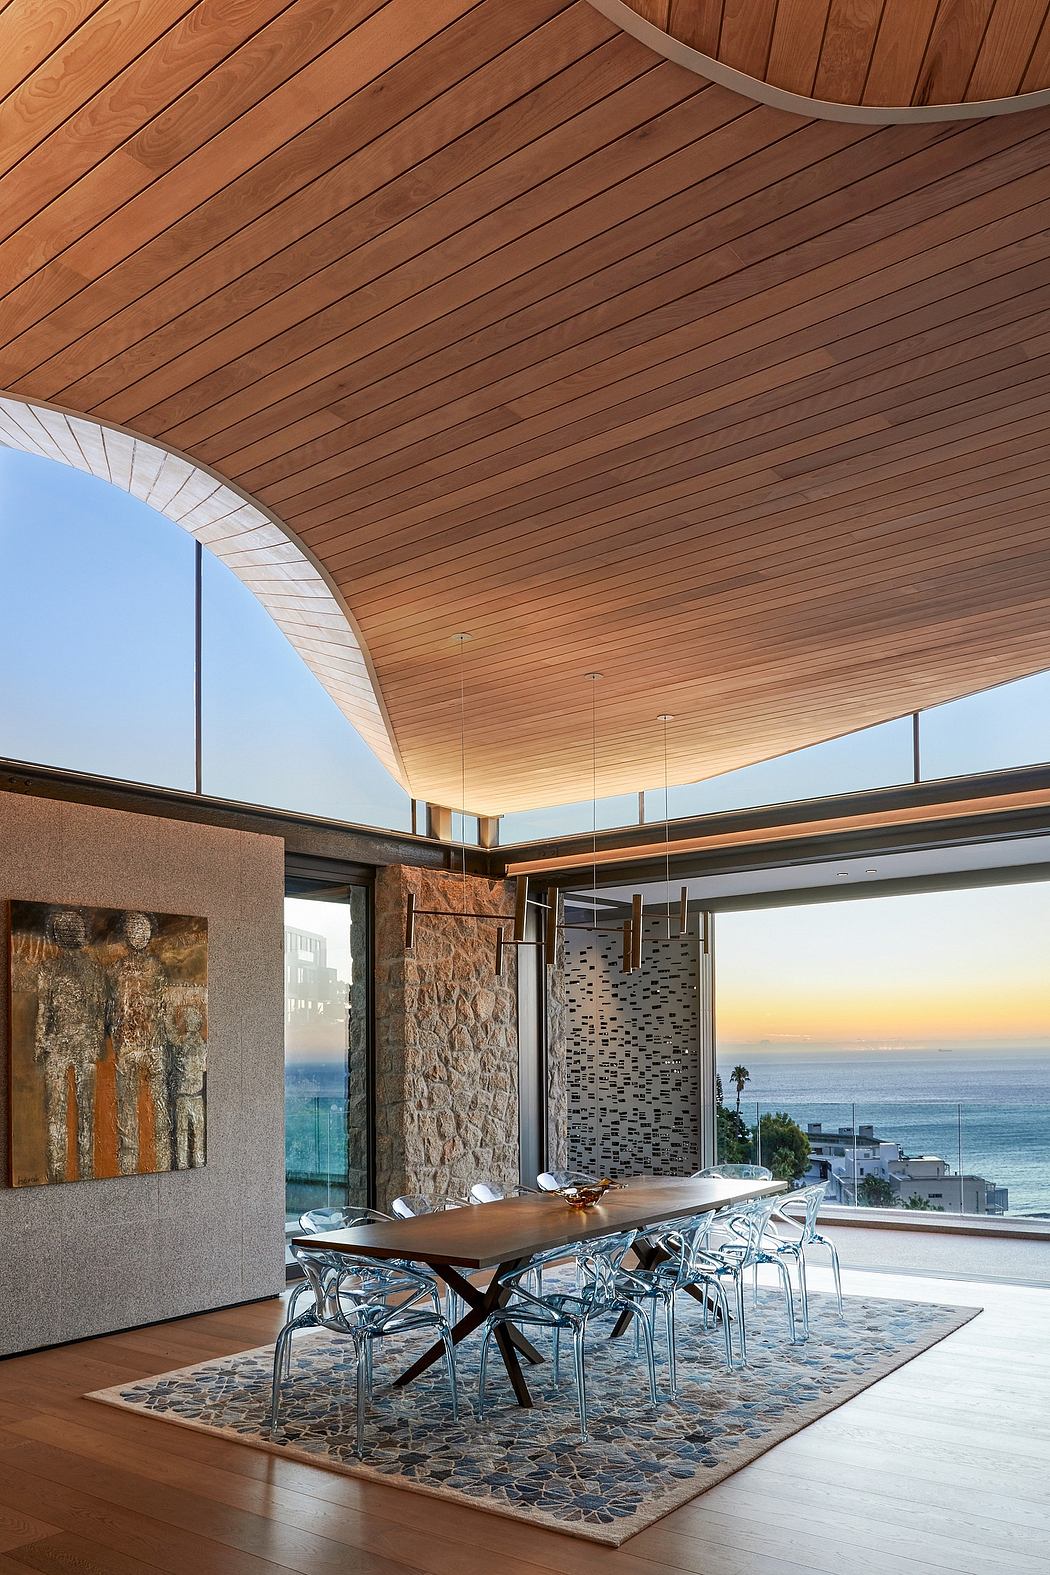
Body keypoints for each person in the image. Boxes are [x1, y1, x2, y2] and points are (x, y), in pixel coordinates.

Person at [34, 908, 105, 1183]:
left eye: (71, 928)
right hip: (62, 1047)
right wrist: (40, 1042)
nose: (68, 933)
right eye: (64, 928)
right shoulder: (50, 968)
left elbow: (98, 1010)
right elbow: (44, 1010)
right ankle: (60, 1176)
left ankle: (77, 1175)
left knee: (77, 1113)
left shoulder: (89, 970)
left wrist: (41, 1043)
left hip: (76, 1047)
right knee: (59, 1115)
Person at [108, 911, 172, 1174]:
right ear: (126, 934)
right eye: (134, 929)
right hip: (127, 1048)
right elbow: (112, 1009)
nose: (139, 934)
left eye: (143, 929)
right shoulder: (116, 970)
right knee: (126, 1110)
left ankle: (163, 1163)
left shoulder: (157, 968)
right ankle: (128, 1169)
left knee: (159, 1109)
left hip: (153, 1046)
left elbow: (162, 1006)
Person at [170, 1005, 207, 1169]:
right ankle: (195, 1163)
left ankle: (184, 1164)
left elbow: (172, 1037)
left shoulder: (184, 1042)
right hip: (192, 1096)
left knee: (184, 1133)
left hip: (188, 1096)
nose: (189, 1022)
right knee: (194, 1133)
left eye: (191, 1020)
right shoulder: (203, 1044)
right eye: (188, 1019)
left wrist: (166, 1018)